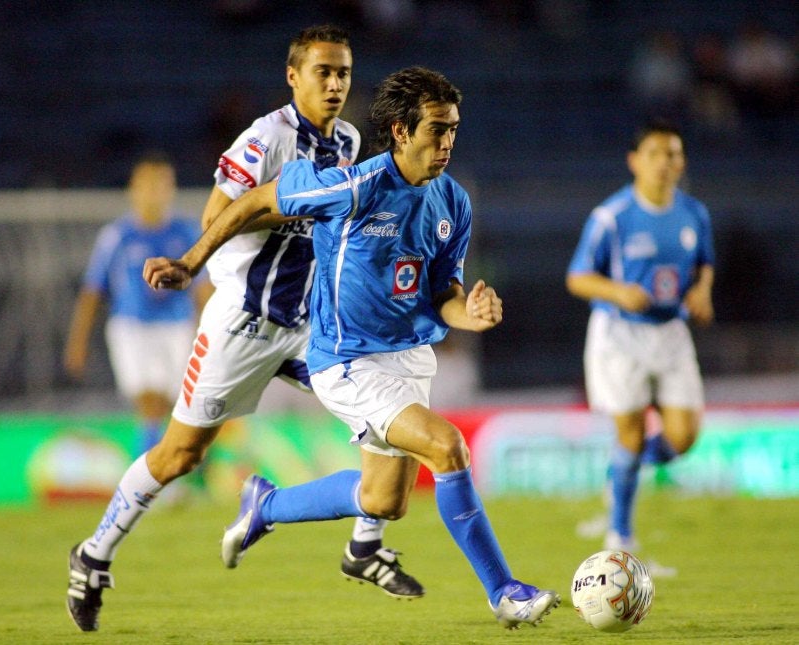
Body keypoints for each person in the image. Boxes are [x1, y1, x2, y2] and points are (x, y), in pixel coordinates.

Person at [144, 66, 561, 630]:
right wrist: (192, 265)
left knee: (383, 498)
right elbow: (251, 203)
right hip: (346, 360)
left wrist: (472, 314)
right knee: (448, 448)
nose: (447, 143)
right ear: (399, 131)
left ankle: (265, 506)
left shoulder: (453, 202)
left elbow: (444, 293)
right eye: (436, 130)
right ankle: (505, 592)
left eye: (453, 130)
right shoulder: (354, 184)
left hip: (410, 358)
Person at [66, 25, 424, 634]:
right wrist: (198, 260)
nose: (335, 84)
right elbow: (215, 214)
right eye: (323, 72)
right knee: (181, 453)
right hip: (245, 322)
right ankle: (93, 554)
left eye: (343, 72)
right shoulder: (266, 138)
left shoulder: (349, 140)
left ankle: (365, 545)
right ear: (294, 75)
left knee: (386, 412)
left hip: (309, 323)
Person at [566, 119, 715, 555]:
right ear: (635, 161)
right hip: (619, 335)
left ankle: (620, 476)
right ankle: (621, 540)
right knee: (629, 432)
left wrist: (702, 291)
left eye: (673, 154)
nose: (665, 163)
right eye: (655, 154)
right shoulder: (611, 217)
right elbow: (577, 277)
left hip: (670, 330)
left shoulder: (694, 213)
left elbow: (704, 263)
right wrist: (617, 292)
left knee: (683, 437)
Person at [64, 151, 204, 456]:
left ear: (171, 189)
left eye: (162, 184)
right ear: (133, 189)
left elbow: (204, 288)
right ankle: (153, 476)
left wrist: (209, 332)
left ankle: (158, 471)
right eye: (148, 184)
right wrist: (78, 341)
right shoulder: (117, 236)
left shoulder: (187, 233)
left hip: (177, 326)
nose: (154, 192)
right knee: (148, 400)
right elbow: (92, 291)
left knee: (172, 405)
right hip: (131, 328)